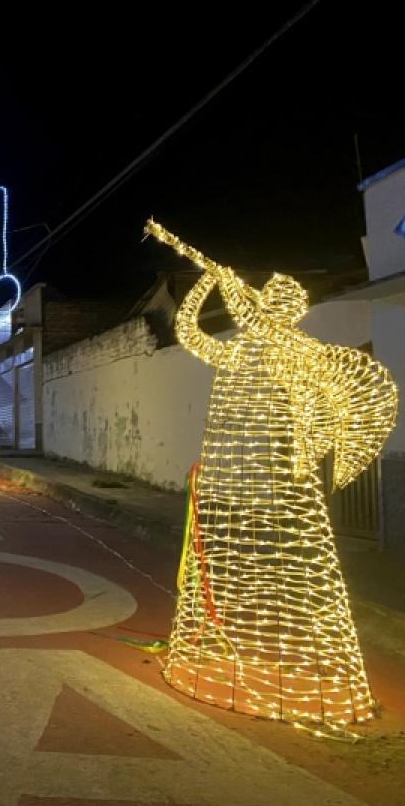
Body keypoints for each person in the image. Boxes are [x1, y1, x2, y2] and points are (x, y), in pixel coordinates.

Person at [149, 220, 396, 727]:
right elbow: (192, 332)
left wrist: (206, 285)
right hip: (248, 481)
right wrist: (211, 280)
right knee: (283, 572)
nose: (271, 308)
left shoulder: (273, 351)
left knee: (285, 573)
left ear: (282, 309)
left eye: (275, 302)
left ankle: (276, 670)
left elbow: (189, 331)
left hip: (270, 483)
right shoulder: (268, 348)